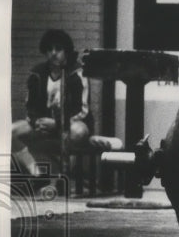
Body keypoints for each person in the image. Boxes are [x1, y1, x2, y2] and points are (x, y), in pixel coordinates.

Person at [11, 29, 111, 176]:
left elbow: (81, 110)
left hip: (71, 123)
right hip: (43, 123)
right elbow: (30, 106)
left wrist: (57, 123)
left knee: (78, 132)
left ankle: (62, 175)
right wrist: (36, 121)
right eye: (49, 49)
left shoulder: (77, 73)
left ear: (66, 51)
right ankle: (36, 173)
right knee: (10, 132)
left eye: (58, 49)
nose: (53, 53)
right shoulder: (37, 73)